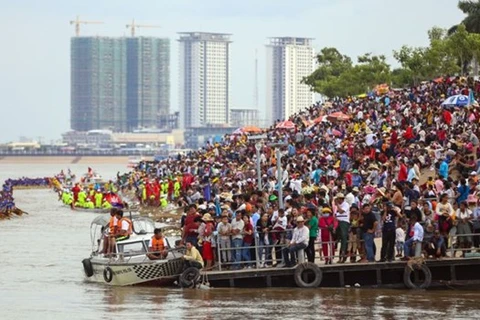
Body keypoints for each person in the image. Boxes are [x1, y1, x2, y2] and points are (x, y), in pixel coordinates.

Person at [334, 193, 350, 263]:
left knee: (344, 238)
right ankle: (339, 254)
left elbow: (341, 211)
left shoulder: (345, 204)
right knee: (336, 237)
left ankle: (343, 255)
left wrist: (337, 205)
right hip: (337, 222)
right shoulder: (336, 205)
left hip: (344, 221)